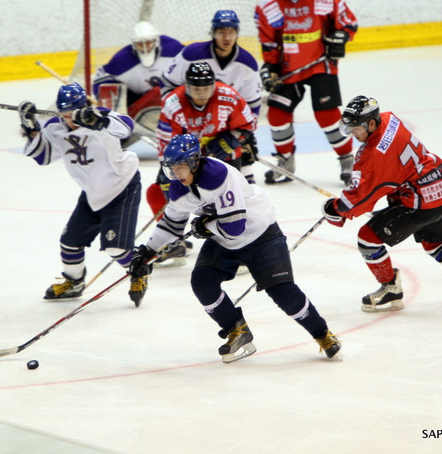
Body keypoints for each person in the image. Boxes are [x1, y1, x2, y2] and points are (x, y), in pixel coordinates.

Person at [129, 134, 342, 363]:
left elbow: (235, 227)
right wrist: (146, 252)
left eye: (181, 167)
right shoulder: (179, 188)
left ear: (194, 162)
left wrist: (206, 225)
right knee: (202, 282)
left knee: (283, 293)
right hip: (223, 239)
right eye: (172, 168)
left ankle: (322, 334)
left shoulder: (218, 176)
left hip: (261, 235)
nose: (177, 174)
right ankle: (236, 330)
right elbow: (172, 224)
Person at [321, 95, 442, 312]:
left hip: (421, 202)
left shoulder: (373, 156)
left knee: (368, 239)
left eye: (357, 127)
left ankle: (390, 288)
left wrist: (337, 209)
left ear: (372, 123)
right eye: (350, 127)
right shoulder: (389, 118)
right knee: (435, 241)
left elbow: (360, 198)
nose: (353, 132)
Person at [18, 83, 148, 307]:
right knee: (70, 242)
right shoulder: (55, 126)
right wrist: (31, 129)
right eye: (64, 112)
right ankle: (74, 281)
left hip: (121, 186)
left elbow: (127, 127)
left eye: (73, 111)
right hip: (92, 192)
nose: (68, 118)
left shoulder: (100, 118)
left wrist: (98, 120)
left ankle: (139, 269)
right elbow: (43, 156)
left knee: (116, 248)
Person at [148, 61, 257, 263]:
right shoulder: (173, 103)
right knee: (160, 188)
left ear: (214, 85)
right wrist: (168, 168)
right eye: (196, 88)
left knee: (229, 206)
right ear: (187, 86)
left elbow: (249, 124)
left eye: (206, 88)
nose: (201, 93)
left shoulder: (228, 97)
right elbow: (166, 143)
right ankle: (174, 243)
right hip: (186, 162)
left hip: (224, 160)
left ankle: (241, 249)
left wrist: (229, 141)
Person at [255, 0, 358, 185]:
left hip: (320, 64)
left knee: (326, 114)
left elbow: (349, 23)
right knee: (277, 113)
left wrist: (341, 36)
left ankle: (347, 160)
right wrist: (270, 67)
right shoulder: (269, 5)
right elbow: (269, 42)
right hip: (287, 68)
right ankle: (285, 161)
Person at [161, 9, 261, 183]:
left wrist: (240, 136)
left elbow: (252, 107)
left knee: (243, 169)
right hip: (192, 123)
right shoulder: (191, 55)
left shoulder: (248, 64)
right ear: (213, 32)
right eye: (221, 32)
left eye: (231, 32)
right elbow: (168, 86)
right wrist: (187, 118)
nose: (227, 37)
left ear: (237, 33)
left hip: (227, 124)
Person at [92, 21, 184, 147]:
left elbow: (189, 63)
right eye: (140, 44)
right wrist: (109, 105)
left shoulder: (173, 49)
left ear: (156, 41)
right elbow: (100, 79)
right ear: (134, 44)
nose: (145, 47)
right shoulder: (123, 60)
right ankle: (117, 134)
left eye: (148, 42)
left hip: (169, 98)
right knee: (111, 90)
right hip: (137, 101)